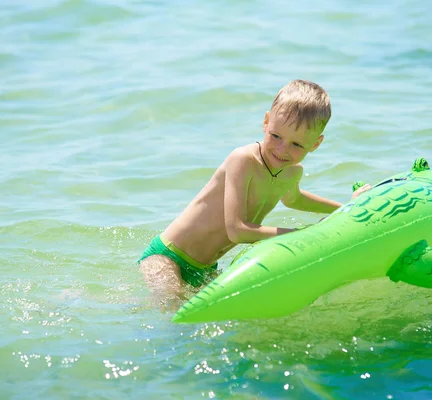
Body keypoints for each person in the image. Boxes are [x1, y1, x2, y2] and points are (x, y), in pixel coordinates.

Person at [138, 79, 372, 297]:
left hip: (206, 269)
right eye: (276, 135)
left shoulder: (292, 172)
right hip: (168, 258)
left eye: (297, 144)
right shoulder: (243, 160)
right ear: (266, 122)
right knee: (169, 317)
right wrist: (306, 235)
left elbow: (295, 200)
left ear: (316, 144)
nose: (282, 149)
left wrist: (346, 208)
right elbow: (237, 230)